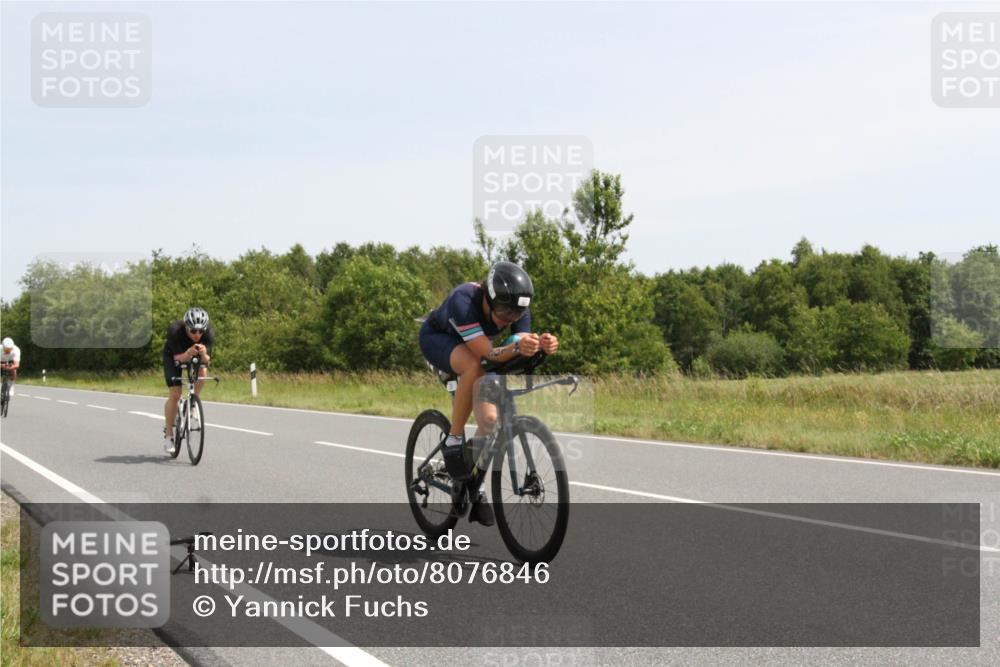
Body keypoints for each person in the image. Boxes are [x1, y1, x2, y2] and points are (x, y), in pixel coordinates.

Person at [419, 261, 559, 525]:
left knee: (491, 421)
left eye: (515, 314)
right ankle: (453, 439)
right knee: (473, 366)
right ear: (488, 296)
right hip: (440, 339)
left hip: (479, 348)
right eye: (504, 311)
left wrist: (540, 345)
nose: (509, 319)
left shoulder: (518, 308)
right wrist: (515, 349)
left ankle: (474, 485)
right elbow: (491, 354)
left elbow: (516, 344)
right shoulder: (464, 299)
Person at [162, 307, 214, 453]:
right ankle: (168, 436)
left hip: (193, 354)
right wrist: (188, 353)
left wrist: (203, 355)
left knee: (203, 370)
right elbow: (178, 359)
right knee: (175, 394)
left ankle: (193, 403)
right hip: (174, 356)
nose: (197, 335)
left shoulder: (208, 334)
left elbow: (207, 361)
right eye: (193, 331)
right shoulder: (175, 332)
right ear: (186, 328)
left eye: (200, 331)